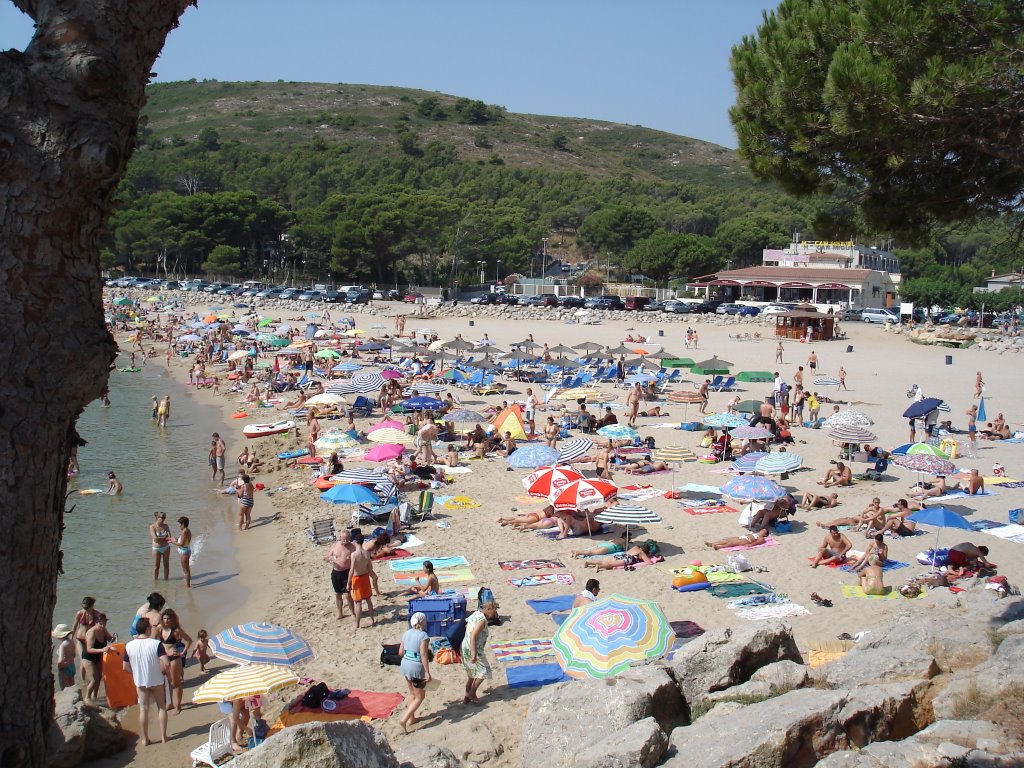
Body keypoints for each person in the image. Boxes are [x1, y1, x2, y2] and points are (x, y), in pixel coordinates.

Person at [123, 617, 169, 746]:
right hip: (156, 679)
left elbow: (125, 667)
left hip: (140, 681)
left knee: (143, 709)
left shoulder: (129, 645)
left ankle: (145, 739)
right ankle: (164, 737)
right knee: (161, 707)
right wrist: (162, 671)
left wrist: (135, 673)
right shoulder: (156, 644)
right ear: (147, 629)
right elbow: (166, 662)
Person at [398, 612, 432, 734]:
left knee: (412, 693)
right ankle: (404, 719)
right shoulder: (423, 636)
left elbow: (400, 652)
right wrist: (427, 672)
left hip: (405, 664)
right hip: (415, 667)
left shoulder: (406, 633)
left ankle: (411, 719)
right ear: (422, 622)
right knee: (420, 697)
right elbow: (423, 654)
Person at [462, 601, 499, 705]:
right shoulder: (482, 620)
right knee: (485, 671)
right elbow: (474, 635)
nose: (495, 614)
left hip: (465, 645)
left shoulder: (476, 613)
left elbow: (467, 626)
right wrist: (474, 653)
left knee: (472, 673)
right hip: (474, 648)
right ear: (488, 609)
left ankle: (466, 697)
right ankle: (472, 693)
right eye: (494, 611)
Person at [157, 609, 191, 714]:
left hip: (174, 658)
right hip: (164, 658)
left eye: (168, 618)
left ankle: (178, 705)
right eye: (165, 618)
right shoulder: (159, 629)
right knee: (166, 682)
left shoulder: (176, 630)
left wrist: (182, 653)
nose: (166, 620)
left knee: (175, 683)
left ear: (172, 619)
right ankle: (170, 703)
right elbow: (153, 640)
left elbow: (189, 640)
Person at [81, 614, 115, 702]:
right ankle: (87, 697)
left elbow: (110, 639)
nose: (103, 626)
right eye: (101, 624)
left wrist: (114, 637)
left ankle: (94, 696)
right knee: (93, 679)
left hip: (99, 656)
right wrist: (102, 650)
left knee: (99, 677)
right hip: (88, 658)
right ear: (96, 622)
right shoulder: (91, 632)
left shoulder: (103, 629)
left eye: (104, 623)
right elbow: (89, 649)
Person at [348, 531, 376, 628]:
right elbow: (370, 568)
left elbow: (351, 570)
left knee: (358, 602)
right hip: (365, 577)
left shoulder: (354, 555)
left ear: (356, 542)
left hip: (357, 578)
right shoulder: (367, 553)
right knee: (368, 600)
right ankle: (372, 619)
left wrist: (348, 583)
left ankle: (357, 624)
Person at [326, 530, 354, 621]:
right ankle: (340, 613)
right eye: (343, 539)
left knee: (347, 595)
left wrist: (351, 558)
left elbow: (357, 558)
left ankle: (353, 613)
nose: (345, 541)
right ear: (340, 538)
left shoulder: (352, 547)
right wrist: (331, 559)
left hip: (346, 572)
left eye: (347, 539)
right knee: (337, 594)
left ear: (349, 538)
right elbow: (327, 557)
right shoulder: (335, 545)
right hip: (336, 572)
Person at [583, 540, 660, 570]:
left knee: (606, 560)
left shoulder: (636, 547)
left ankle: (589, 562)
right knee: (610, 564)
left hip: (621, 555)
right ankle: (599, 566)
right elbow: (649, 563)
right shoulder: (641, 553)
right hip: (626, 559)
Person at [52, 624, 77, 691]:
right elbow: (74, 655)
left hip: (64, 669)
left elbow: (60, 661)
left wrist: (59, 668)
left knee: (64, 690)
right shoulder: (72, 642)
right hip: (72, 667)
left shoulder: (62, 646)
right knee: (73, 689)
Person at [150, 512, 172, 580]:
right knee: (156, 567)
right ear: (157, 517)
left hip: (166, 548)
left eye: (164, 517)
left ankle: (166, 581)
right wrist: (165, 538)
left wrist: (161, 539)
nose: (163, 519)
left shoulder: (166, 526)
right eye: (162, 517)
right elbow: (155, 538)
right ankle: (155, 582)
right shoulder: (152, 526)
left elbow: (170, 537)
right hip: (156, 548)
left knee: (166, 566)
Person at [176, 516, 193, 589]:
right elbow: (184, 541)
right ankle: (187, 583)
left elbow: (181, 544)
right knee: (186, 569)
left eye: (180, 524)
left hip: (184, 551)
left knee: (185, 570)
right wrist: (176, 540)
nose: (179, 526)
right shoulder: (187, 530)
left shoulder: (184, 531)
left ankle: (188, 586)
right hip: (187, 549)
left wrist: (172, 542)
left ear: (183, 524)